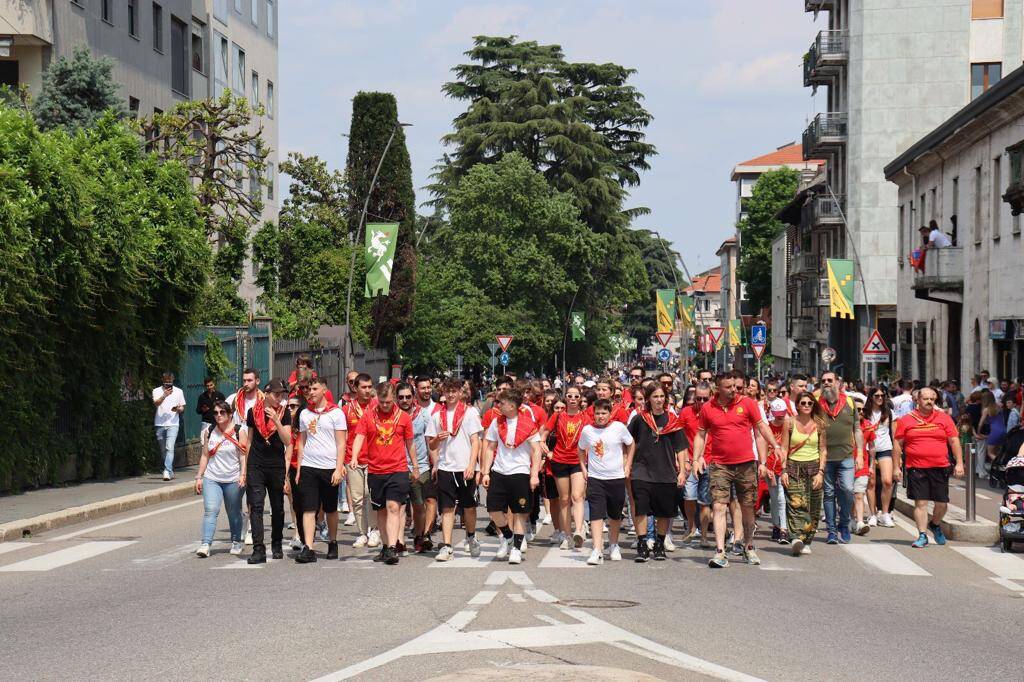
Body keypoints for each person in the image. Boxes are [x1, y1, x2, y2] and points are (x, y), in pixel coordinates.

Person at [692, 371, 778, 568]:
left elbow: (762, 428)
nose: (733, 390)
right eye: (728, 387)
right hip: (720, 465)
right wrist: (696, 458)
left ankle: (748, 546)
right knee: (719, 506)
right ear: (717, 388)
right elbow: (701, 435)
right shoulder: (708, 408)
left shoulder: (747, 403)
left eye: (734, 386)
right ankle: (720, 552)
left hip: (746, 464)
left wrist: (776, 447)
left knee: (747, 507)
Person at [351, 381, 416, 565]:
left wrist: (416, 466)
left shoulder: (403, 418)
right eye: (382, 402)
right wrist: (355, 456)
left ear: (393, 398)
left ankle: (393, 548)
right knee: (380, 511)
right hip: (376, 471)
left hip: (398, 469)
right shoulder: (368, 416)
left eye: (388, 401)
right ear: (377, 399)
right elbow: (359, 437)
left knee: (393, 507)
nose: (385, 405)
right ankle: (386, 547)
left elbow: (410, 443)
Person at [893, 387, 965, 548]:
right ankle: (922, 535)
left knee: (942, 503)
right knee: (921, 503)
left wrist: (959, 463)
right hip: (916, 467)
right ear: (917, 401)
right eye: (925, 398)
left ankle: (935, 523)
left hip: (940, 466)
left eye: (932, 399)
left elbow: (954, 440)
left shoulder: (944, 418)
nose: (929, 401)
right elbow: (898, 444)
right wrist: (896, 466)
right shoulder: (906, 420)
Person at [628, 383, 690, 563]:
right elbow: (628, 442)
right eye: (655, 396)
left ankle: (659, 544)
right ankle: (642, 544)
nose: (659, 400)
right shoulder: (640, 419)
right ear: (648, 399)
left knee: (664, 512)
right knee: (641, 510)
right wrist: (627, 464)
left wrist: (681, 471)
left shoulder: (673, 421)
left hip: (666, 472)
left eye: (662, 396)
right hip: (641, 471)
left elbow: (681, 448)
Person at [481, 389, 542, 565]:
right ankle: (507, 536)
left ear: (512, 405)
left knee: (520, 512)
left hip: (520, 473)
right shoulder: (496, 422)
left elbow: (536, 449)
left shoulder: (527, 423)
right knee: (493, 510)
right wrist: (486, 471)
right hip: (499, 472)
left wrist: (534, 474)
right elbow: (490, 447)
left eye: (502, 402)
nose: (498, 405)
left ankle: (515, 548)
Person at [427, 378, 484, 561]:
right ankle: (447, 546)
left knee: (469, 507)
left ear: (461, 393)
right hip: (445, 467)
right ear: (443, 392)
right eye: (448, 391)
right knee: (447, 508)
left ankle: (471, 536)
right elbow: (431, 444)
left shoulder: (470, 413)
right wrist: (437, 439)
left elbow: (476, 441)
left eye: (454, 391)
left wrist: (471, 465)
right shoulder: (437, 416)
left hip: (465, 468)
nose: (451, 395)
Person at [294, 378, 346, 563]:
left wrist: (339, 469)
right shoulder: (304, 414)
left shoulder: (336, 413)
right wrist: (299, 468)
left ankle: (333, 541)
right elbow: (301, 442)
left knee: (330, 508)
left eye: (315, 389)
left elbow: (341, 444)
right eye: (309, 389)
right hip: (309, 466)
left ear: (324, 390)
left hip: (329, 467)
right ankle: (308, 547)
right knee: (308, 508)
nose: (311, 392)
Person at [578, 399, 635, 565]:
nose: (600, 416)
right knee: (596, 514)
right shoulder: (587, 430)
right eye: (597, 413)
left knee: (615, 514)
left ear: (610, 414)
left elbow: (631, 444)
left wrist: (628, 465)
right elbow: (581, 448)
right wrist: (583, 467)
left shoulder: (618, 428)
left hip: (616, 477)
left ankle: (613, 544)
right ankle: (597, 549)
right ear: (593, 414)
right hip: (596, 478)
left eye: (604, 413)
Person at [243, 379, 292, 563]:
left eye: (282, 395)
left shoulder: (284, 412)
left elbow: (288, 440)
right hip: (256, 465)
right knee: (255, 506)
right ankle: (258, 549)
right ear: (267, 393)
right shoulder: (252, 412)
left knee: (277, 507)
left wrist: (277, 421)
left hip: (276, 465)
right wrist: (246, 468)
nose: (280, 398)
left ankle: (277, 544)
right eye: (276, 394)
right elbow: (249, 441)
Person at [539, 385, 590, 549]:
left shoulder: (585, 417)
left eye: (576, 396)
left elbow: (593, 436)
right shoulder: (558, 415)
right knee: (564, 499)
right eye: (570, 396)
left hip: (577, 461)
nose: (573, 399)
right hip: (560, 461)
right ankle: (566, 536)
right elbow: (545, 432)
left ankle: (579, 531)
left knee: (577, 496)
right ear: (565, 398)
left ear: (580, 399)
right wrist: (544, 446)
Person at [195, 400, 247, 558]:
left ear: (230, 414)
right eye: (216, 413)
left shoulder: (239, 431)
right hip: (212, 478)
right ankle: (205, 544)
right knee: (211, 510)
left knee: (233, 512)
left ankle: (236, 541)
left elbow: (243, 456)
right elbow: (205, 455)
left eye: (222, 412)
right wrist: (199, 476)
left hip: (233, 479)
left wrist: (243, 475)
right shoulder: (209, 431)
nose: (218, 415)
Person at [818, 371, 865, 545]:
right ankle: (831, 530)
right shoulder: (817, 404)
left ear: (838, 382)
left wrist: (860, 453)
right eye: (823, 381)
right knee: (829, 494)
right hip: (825, 457)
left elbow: (857, 429)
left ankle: (844, 523)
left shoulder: (850, 402)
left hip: (846, 456)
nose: (827, 383)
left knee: (846, 489)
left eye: (830, 380)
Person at [779, 391, 827, 556]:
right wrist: (783, 470)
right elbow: (784, 448)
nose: (806, 406)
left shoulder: (819, 423)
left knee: (813, 508)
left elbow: (823, 449)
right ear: (797, 405)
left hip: (814, 468)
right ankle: (796, 538)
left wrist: (821, 472)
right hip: (793, 467)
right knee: (795, 503)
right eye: (803, 403)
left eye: (810, 403)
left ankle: (807, 540)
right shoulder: (789, 422)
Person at [397, 382, 437, 554]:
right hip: (397, 466)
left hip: (420, 466)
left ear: (413, 397)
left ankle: (419, 536)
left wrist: (434, 464)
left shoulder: (424, 415)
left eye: (408, 396)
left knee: (419, 505)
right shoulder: (394, 415)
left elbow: (430, 442)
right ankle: (398, 541)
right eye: (401, 397)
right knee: (397, 506)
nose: (405, 400)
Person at [343, 373, 378, 548]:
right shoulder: (347, 409)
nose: (367, 390)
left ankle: (374, 530)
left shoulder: (377, 407)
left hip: (374, 459)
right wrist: (342, 461)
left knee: (370, 495)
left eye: (369, 387)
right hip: (353, 459)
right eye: (363, 387)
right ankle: (362, 533)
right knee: (357, 499)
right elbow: (343, 437)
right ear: (355, 388)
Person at [678, 383, 712, 548]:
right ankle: (691, 526)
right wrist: (684, 461)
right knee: (689, 496)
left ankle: (704, 535)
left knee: (705, 501)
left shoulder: (716, 412)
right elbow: (679, 438)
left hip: (711, 461)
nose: (702, 402)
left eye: (706, 398)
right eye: (698, 398)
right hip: (691, 461)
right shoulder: (686, 412)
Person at [864, 387, 897, 528]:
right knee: (870, 483)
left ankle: (884, 513)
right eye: (876, 395)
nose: (880, 397)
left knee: (887, 481)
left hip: (885, 448)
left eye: (882, 395)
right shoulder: (864, 413)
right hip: (867, 449)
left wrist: (898, 461)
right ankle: (872, 514)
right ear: (871, 396)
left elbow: (895, 437)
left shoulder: (889, 413)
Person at [153, 372, 186, 481]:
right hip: (159, 424)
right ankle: (170, 470)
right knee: (163, 450)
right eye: (166, 382)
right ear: (162, 380)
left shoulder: (179, 391)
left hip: (173, 424)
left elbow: (182, 407)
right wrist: (164, 395)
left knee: (169, 447)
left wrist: (179, 409)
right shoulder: (156, 391)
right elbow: (156, 403)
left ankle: (166, 470)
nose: (168, 384)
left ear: (173, 380)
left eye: (170, 381)